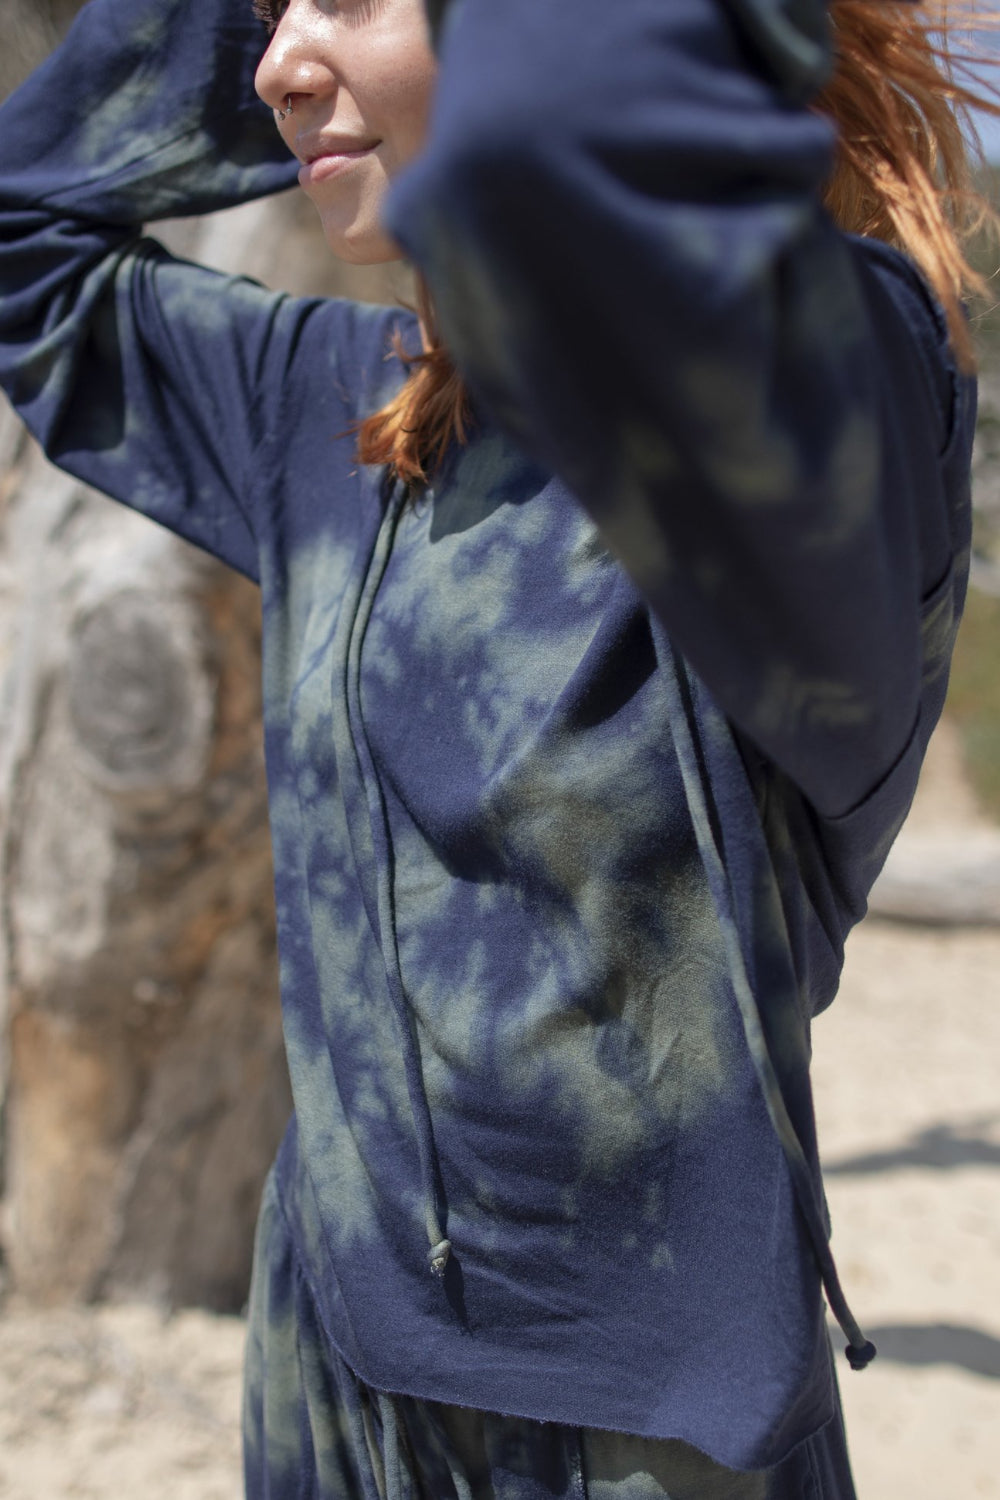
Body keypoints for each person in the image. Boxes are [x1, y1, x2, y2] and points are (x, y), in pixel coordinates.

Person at [0, 0, 992, 1495]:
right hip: (332, 1362)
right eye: (265, 12)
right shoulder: (322, 408)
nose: (272, 68)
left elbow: (579, 163)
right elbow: (26, 226)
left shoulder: (809, 402)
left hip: (649, 1419)